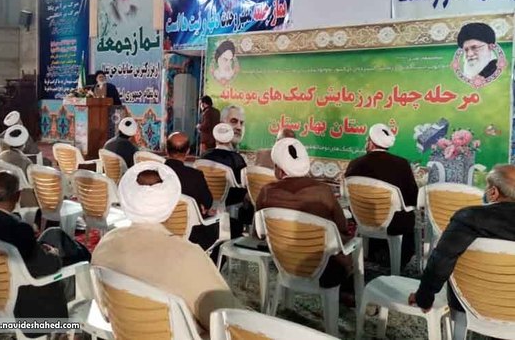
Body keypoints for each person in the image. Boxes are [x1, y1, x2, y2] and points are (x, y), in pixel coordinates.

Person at [92, 162, 242, 332]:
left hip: (122, 331)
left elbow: (104, 306)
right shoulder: (188, 256)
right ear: (172, 203)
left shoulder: (105, 244)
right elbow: (227, 321)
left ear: (125, 199)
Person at [0, 171, 90, 327]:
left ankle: (84, 256)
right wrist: (53, 254)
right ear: (18, 196)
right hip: (22, 301)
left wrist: (38, 248)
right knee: (74, 257)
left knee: (53, 233)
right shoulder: (18, 229)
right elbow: (45, 267)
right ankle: (88, 266)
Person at [409, 164, 515, 314]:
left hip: (470, 305)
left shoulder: (469, 217)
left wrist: (423, 298)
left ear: (493, 192)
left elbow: (441, 261)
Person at [256, 138, 353, 295]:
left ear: (280, 170)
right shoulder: (323, 191)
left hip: (283, 263)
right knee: (349, 249)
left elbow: (259, 233)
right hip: (323, 270)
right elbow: (342, 227)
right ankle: (347, 294)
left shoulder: (266, 192)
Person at [344, 123, 418, 271]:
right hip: (393, 225)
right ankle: (400, 259)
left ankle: (373, 254)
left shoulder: (355, 163)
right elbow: (413, 198)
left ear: (371, 143)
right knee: (406, 213)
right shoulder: (401, 164)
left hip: (362, 218)